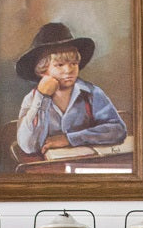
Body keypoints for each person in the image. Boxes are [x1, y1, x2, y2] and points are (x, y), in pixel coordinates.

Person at [15, 22, 127, 156]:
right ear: (42, 70)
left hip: (86, 162)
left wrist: (70, 139)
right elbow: (29, 146)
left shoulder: (91, 93)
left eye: (74, 63)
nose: (68, 70)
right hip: (48, 166)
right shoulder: (32, 99)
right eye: (59, 65)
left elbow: (117, 130)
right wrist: (42, 96)